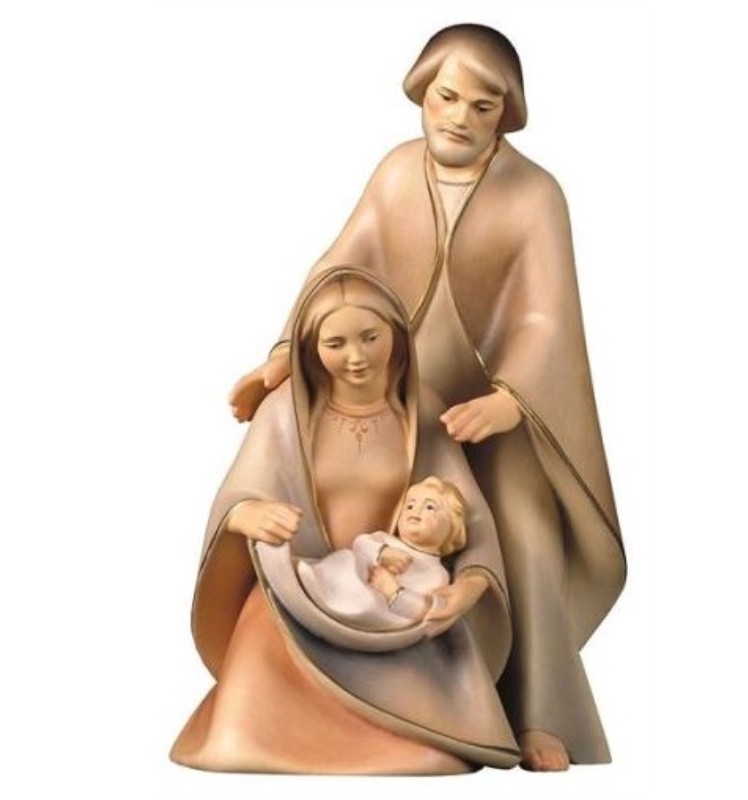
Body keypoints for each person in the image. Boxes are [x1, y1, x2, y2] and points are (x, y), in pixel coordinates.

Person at [228, 24, 627, 771]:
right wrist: (283, 356)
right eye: (446, 97)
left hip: (489, 407)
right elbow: (341, 264)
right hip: (393, 387)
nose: (459, 118)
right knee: (359, 516)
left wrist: (510, 400)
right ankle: (366, 697)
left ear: (507, 113)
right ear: (421, 93)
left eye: (483, 106)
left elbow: (547, 316)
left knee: (521, 530)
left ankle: (539, 711)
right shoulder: (395, 172)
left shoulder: (535, 194)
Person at [171, 269, 519, 774]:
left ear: (396, 335)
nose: (356, 357)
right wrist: (248, 513)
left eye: (370, 338)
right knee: (247, 734)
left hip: (393, 605)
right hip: (300, 594)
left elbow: (468, 513)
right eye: (336, 344)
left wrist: (468, 586)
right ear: (312, 348)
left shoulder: (420, 412)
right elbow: (240, 492)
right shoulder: (286, 413)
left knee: (432, 753)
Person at [297, 476, 468, 630]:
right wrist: (382, 553)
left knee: (366, 598)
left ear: (452, 527)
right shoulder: (385, 539)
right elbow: (360, 543)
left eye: (429, 507)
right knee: (348, 558)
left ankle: (330, 598)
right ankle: (318, 581)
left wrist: (393, 591)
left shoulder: (437, 574)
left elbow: (423, 609)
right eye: (410, 505)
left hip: (382, 610)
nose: (415, 511)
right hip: (358, 580)